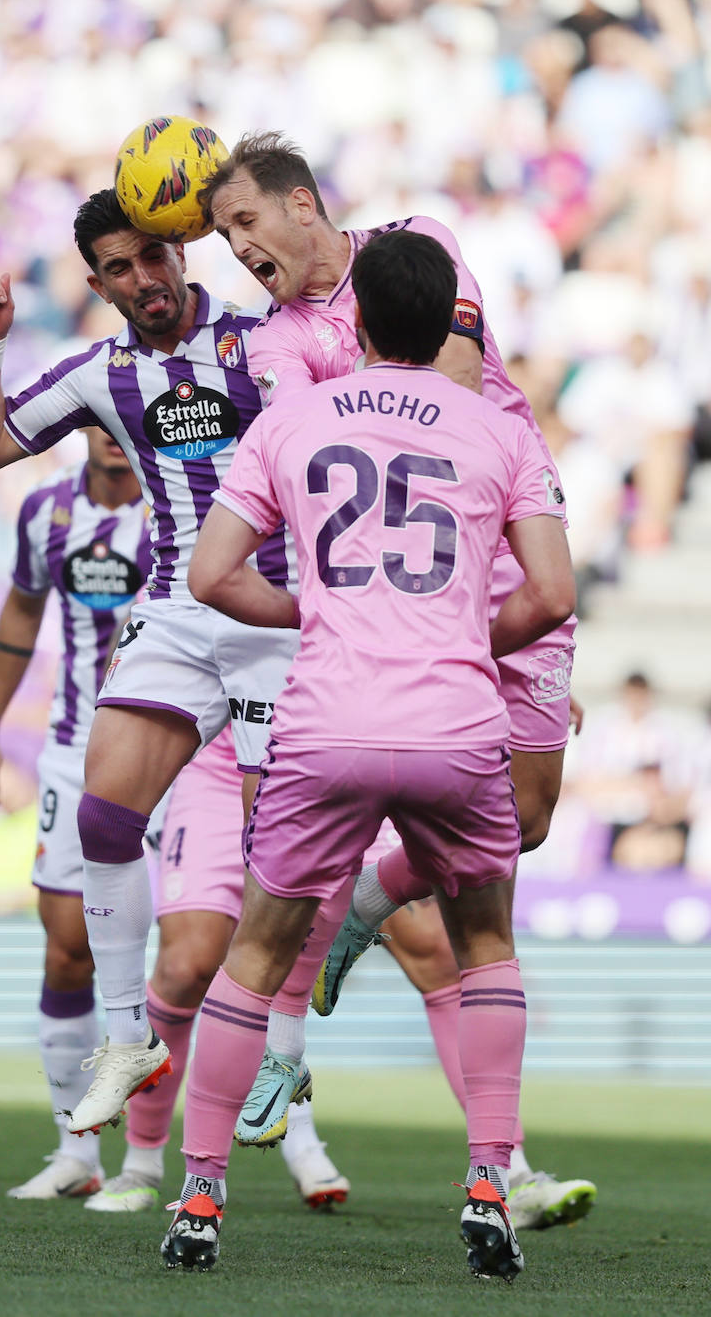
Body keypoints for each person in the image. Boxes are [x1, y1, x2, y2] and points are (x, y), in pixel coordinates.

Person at [199, 132, 595, 1233]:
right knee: (475, 848)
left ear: (300, 205)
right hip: (404, 590)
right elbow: (290, 437)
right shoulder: (273, 342)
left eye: (243, 224)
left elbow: (456, 394)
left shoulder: (417, 249)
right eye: (226, 237)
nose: (238, 251)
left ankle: (370, 896)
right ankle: (471, 1145)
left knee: (527, 820)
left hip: (509, 537)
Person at [0, 188, 301, 1137]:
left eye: (153, 256)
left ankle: (284, 1053)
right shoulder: (100, 375)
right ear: (100, 285)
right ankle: (126, 1038)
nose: (142, 278)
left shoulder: (262, 343)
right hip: (181, 609)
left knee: (280, 851)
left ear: (182, 252)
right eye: (118, 267)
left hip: (281, 610)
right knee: (107, 816)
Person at [0, 427, 151, 1198]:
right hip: (74, 752)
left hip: (175, 752)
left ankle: (166, 1158)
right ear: (81, 427)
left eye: (123, 420)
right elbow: (20, 611)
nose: (113, 437)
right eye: (97, 421)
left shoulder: (188, 507)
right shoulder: (46, 513)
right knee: (67, 948)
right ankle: (76, 1150)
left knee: (195, 955)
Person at [86, 725, 350, 1213]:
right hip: (221, 769)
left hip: (317, 761)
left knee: (292, 955)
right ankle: (141, 1163)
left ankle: (505, 1165)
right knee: (186, 966)